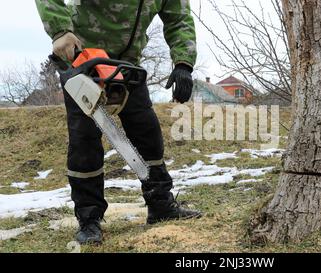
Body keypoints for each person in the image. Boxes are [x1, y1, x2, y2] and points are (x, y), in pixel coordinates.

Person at [35, 0, 201, 244]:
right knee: (84, 141)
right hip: (83, 58)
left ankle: (160, 203)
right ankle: (89, 219)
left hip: (128, 64)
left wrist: (183, 63)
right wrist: (60, 30)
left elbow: (179, 18)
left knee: (147, 132)